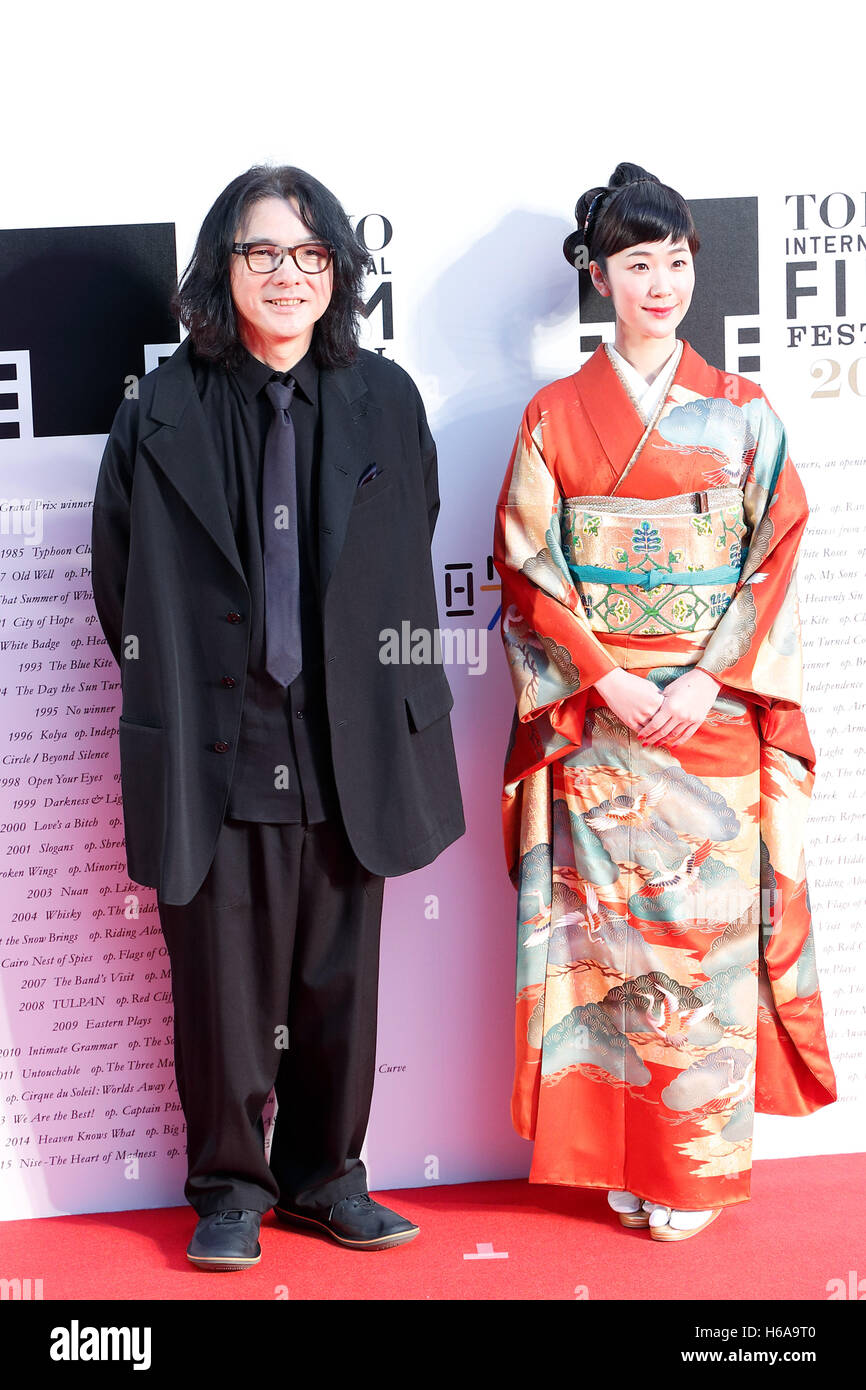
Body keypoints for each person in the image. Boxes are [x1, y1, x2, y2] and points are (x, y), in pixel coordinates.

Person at [91, 164, 464, 1270]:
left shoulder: (386, 399)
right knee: (221, 987)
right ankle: (227, 1189)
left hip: (352, 740)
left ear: (338, 271)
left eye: (310, 255)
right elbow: (122, 579)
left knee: (337, 980)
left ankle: (324, 1177)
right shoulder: (158, 410)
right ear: (222, 266)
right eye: (263, 253)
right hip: (218, 739)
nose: (287, 275)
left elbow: (412, 532)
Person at [493, 162, 836, 1242]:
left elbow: (771, 552)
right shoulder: (553, 414)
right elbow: (525, 564)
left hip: (711, 710)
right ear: (598, 277)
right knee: (618, 952)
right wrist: (609, 677)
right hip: (604, 721)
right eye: (637, 262)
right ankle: (625, 1158)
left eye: (675, 260)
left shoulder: (743, 410)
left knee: (707, 943)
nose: (660, 282)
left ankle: (690, 1170)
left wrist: (698, 674)